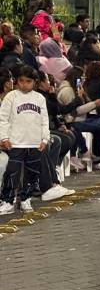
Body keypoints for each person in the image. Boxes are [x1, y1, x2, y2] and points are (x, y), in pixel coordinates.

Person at [0, 66, 49, 214]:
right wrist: (4, 137)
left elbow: (44, 121)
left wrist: (45, 139)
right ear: (16, 81)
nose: (24, 85)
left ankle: (26, 199)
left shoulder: (40, 98)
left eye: (28, 81)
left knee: (32, 173)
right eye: (21, 81)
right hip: (16, 143)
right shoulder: (11, 97)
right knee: (12, 173)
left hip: (34, 143)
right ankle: (8, 201)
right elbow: (3, 119)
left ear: (35, 82)